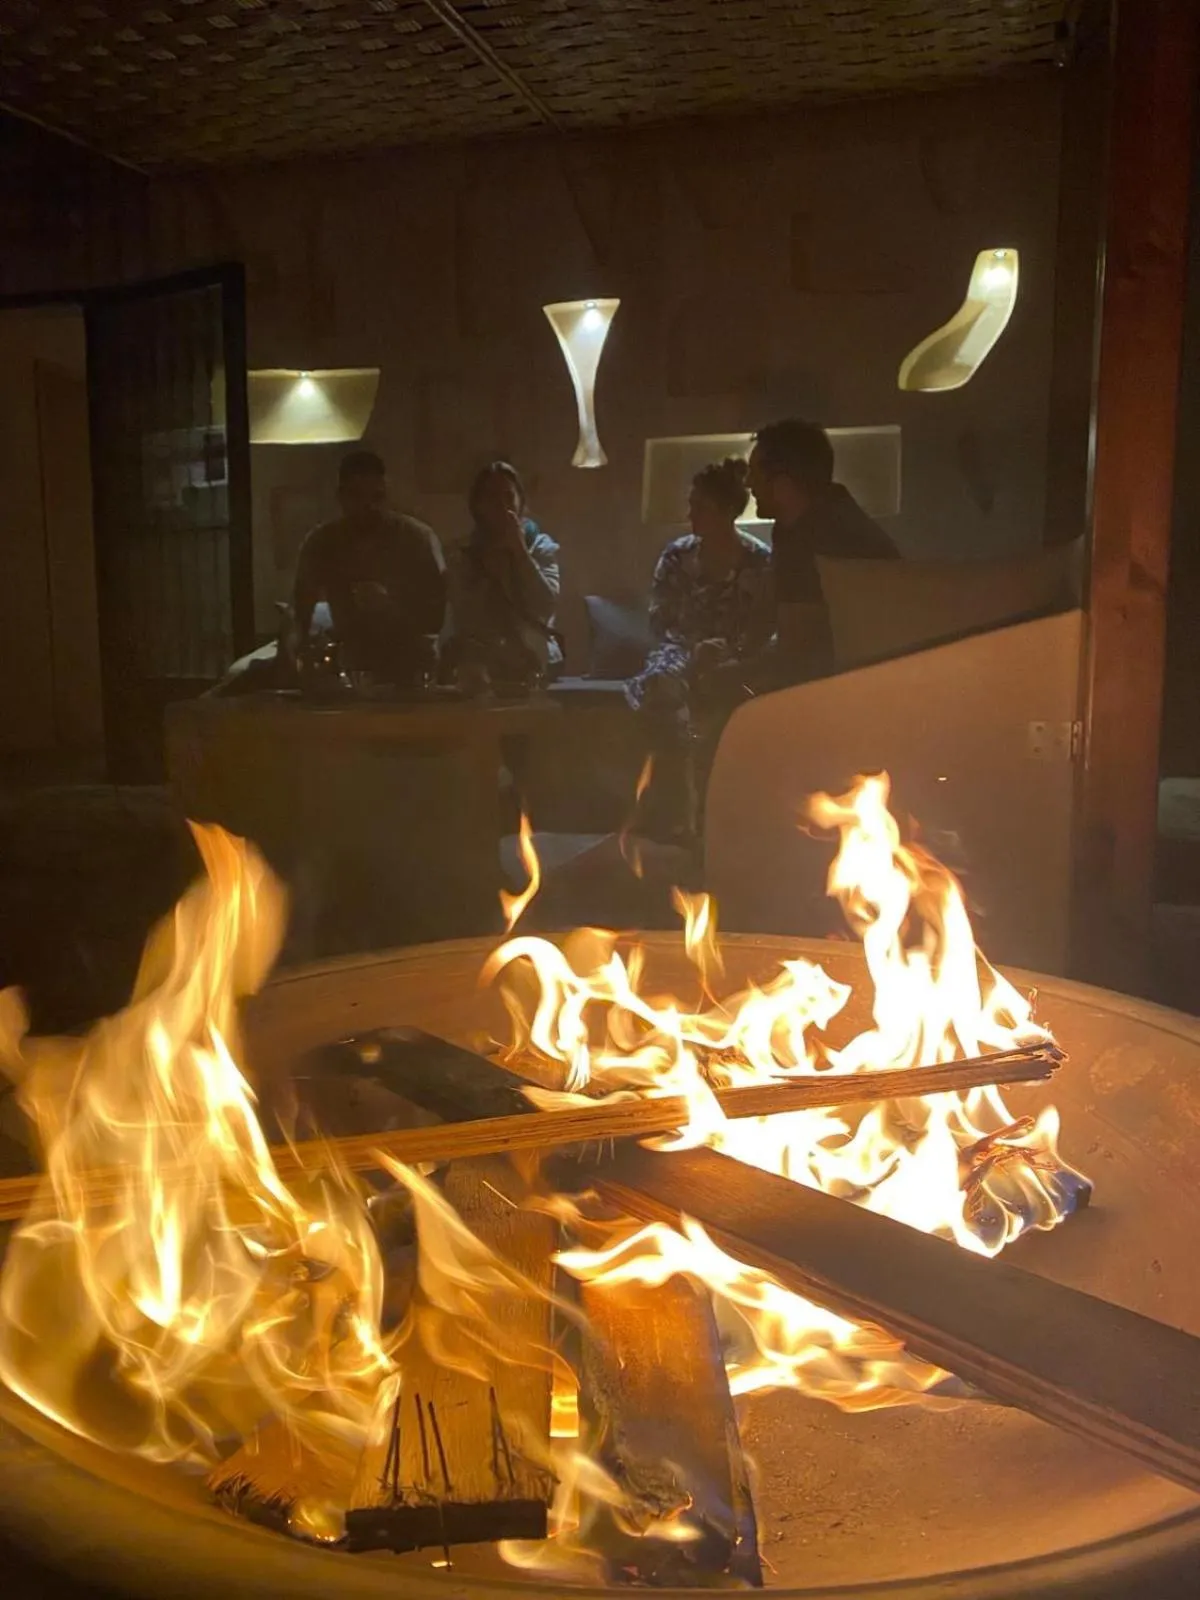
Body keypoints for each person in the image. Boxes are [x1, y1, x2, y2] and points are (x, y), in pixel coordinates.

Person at [627, 457, 773, 839]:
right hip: (680, 652)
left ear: (727, 511)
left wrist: (727, 651)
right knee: (663, 688)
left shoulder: (759, 561)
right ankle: (671, 808)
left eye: (700, 507)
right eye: (691, 505)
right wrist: (694, 650)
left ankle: (718, 819)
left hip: (733, 656)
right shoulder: (677, 556)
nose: (691, 514)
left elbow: (765, 626)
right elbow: (659, 620)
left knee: (730, 694)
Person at [746, 418, 898, 680]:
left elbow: (797, 651)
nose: (748, 483)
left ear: (783, 485)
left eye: (755, 474)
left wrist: (734, 671)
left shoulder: (828, 538)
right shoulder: (794, 526)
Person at [292, 450, 445, 684]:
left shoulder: (417, 540)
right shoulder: (322, 543)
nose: (369, 506)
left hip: (412, 663)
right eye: (357, 496)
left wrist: (391, 606)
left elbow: (439, 616)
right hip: (350, 663)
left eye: (377, 497)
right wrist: (298, 658)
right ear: (341, 496)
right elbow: (300, 613)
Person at [446, 461, 561, 686]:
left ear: (520, 501)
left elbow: (546, 605)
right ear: (477, 505)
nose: (501, 505)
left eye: (508, 497)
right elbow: (463, 616)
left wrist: (519, 553)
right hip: (480, 656)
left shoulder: (540, 546)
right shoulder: (462, 553)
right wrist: (487, 575)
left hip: (531, 651)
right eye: (491, 497)